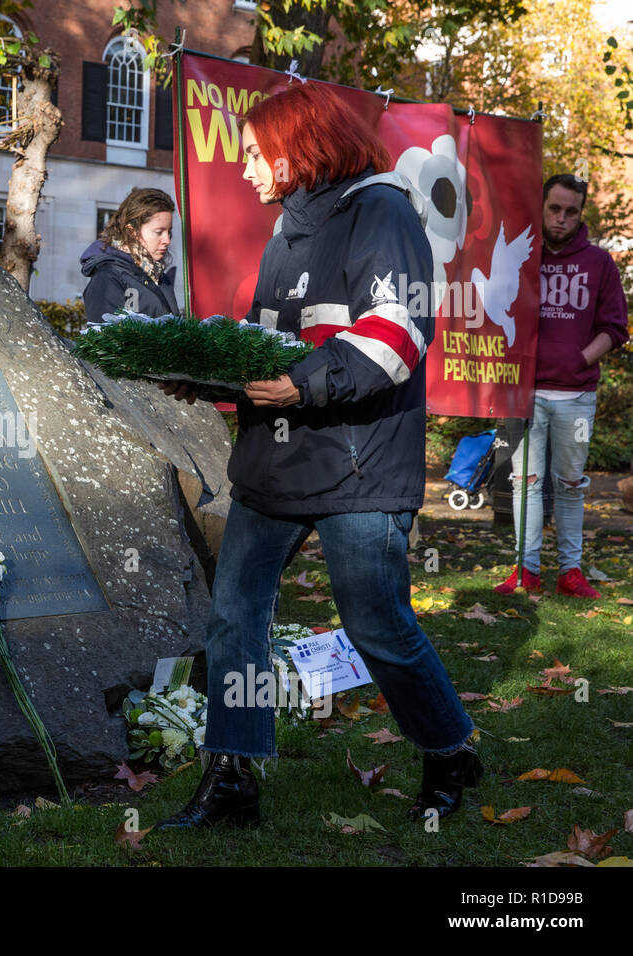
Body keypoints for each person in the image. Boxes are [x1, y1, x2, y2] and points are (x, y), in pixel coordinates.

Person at [159, 82, 481, 829]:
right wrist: (206, 374)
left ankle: (448, 747)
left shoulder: (384, 211)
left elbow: (397, 334)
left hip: (359, 468)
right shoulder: (288, 230)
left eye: (255, 152)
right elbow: (267, 350)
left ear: (297, 147)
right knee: (233, 618)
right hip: (274, 466)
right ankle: (231, 777)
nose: (246, 168)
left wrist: (301, 385)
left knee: (376, 625)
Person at [494, 174, 629, 598]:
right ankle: (526, 570)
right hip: (524, 392)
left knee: (571, 484)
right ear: (541, 206)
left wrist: (580, 359)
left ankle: (570, 572)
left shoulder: (599, 263)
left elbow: (615, 328)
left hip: (576, 396)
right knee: (525, 483)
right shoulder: (521, 257)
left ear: (581, 213)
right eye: (554, 208)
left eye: (571, 211)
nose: (561, 218)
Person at [80, 188, 179, 321]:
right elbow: (107, 332)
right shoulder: (107, 277)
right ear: (132, 231)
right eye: (159, 232)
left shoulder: (160, 277)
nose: (167, 240)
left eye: (169, 232)